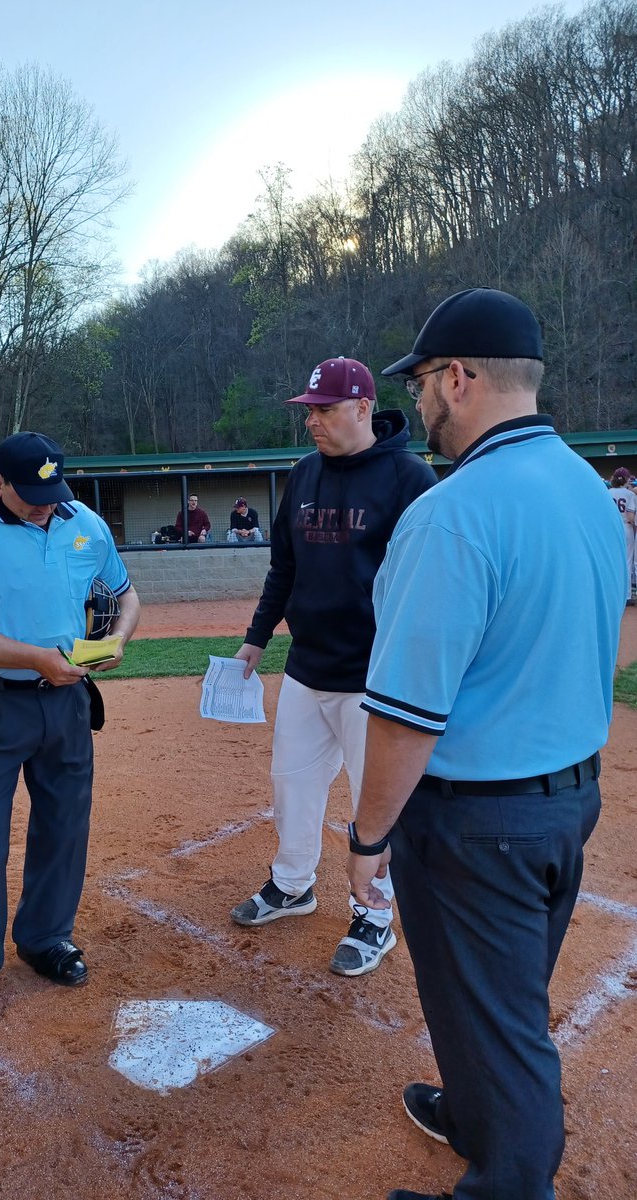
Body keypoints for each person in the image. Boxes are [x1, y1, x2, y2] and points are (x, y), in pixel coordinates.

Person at [345, 289, 627, 1200]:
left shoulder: (452, 512)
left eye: (424, 379)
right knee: (497, 1003)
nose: (418, 400)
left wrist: (366, 838)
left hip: (477, 826)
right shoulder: (592, 489)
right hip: (567, 800)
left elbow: (404, 715)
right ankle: (469, 1112)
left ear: (459, 378)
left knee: (504, 1031)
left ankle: (505, 1177)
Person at [0, 432, 140, 1030]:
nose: (46, 503)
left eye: (53, 490)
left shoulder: (83, 523)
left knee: (65, 827)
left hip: (66, 702)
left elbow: (126, 593)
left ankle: (45, 937)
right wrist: (34, 657)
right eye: (31, 493)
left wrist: (119, 637)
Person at [229, 356, 436, 976]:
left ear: (364, 408)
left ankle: (374, 916)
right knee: (291, 784)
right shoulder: (303, 475)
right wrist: (255, 639)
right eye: (309, 411)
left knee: (375, 801)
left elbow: (428, 587)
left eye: (323, 410)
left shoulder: (410, 479)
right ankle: (293, 885)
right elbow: (283, 569)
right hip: (306, 670)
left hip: (374, 679)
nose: (312, 421)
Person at [609, 467, 636, 603]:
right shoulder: (630, 494)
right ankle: (626, 596)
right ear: (626, 479)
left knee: (612, 561)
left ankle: (613, 593)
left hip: (612, 528)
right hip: (626, 526)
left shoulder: (607, 492)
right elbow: (631, 517)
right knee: (627, 561)